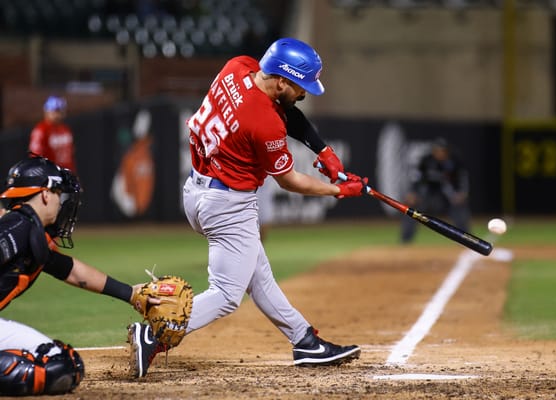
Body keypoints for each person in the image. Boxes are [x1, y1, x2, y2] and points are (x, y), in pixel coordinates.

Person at [127, 37, 367, 378]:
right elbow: (289, 181)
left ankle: (304, 341)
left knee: (259, 276)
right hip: (228, 205)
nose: (305, 93)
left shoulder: (237, 66)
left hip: (198, 189)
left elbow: (288, 112)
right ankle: (155, 333)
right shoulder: (262, 121)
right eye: (301, 86)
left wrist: (323, 151)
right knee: (227, 294)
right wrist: (338, 189)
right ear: (281, 81)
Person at [0, 156, 142, 396]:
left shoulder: (27, 229)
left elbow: (71, 270)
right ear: (45, 194)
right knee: (56, 367)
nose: (62, 201)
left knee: (66, 364)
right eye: (58, 193)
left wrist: (132, 294)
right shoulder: (17, 227)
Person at [400, 137, 470, 243]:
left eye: (442, 150)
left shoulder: (454, 162)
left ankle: (466, 240)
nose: (439, 153)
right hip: (427, 196)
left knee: (459, 206)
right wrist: (412, 193)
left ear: (447, 151)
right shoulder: (426, 161)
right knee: (411, 208)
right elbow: (416, 179)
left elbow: (462, 180)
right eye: (437, 150)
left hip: (448, 196)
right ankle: (406, 241)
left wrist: (462, 193)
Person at [29, 96, 76, 171]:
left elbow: (70, 156)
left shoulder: (65, 129)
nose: (58, 115)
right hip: (50, 174)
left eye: (60, 111)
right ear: (47, 111)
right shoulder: (41, 130)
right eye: (55, 111)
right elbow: (35, 156)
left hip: (66, 173)